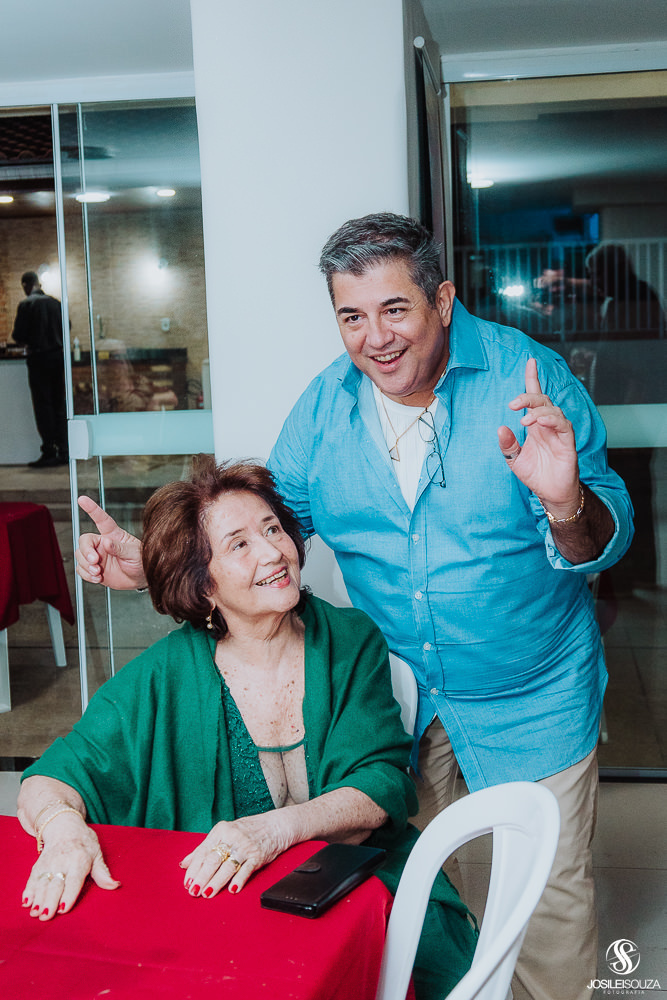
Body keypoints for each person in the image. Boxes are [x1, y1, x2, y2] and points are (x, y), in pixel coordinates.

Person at [74, 213, 634, 1000]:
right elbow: (271, 536)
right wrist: (158, 566)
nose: (375, 337)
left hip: (529, 692)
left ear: (441, 301)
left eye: (394, 309)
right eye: (351, 316)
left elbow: (605, 538)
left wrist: (566, 500)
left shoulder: (527, 381)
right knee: (406, 891)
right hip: (400, 700)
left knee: (544, 909)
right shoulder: (324, 409)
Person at [19, 457, 476, 1000]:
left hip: (363, 888)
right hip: (230, 918)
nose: (273, 553)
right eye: (239, 544)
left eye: (273, 529)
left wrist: (274, 829)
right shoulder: (164, 676)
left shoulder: (349, 640)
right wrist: (65, 830)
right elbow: (47, 780)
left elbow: (379, 787)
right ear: (202, 585)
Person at [11, 271, 68, 468]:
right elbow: (66, 327)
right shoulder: (55, 303)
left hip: (38, 359)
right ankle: (65, 450)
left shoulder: (26, 304)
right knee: (59, 404)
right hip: (58, 358)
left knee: (43, 406)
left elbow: (18, 335)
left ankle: (49, 451)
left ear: (26, 284)